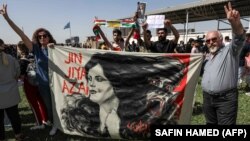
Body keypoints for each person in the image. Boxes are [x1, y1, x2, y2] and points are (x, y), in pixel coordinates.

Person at [61, 53, 185, 139]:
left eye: (99, 79)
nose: (91, 84)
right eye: (89, 78)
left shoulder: (138, 115)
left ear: (115, 83)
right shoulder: (78, 113)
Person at [0, 4, 57, 135]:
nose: (42, 38)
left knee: (58, 106)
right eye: (39, 36)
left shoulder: (55, 49)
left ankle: (61, 123)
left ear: (49, 37)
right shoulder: (35, 50)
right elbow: (21, 34)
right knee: (49, 106)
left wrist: (54, 48)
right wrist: (7, 18)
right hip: (43, 84)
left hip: (58, 84)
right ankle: (54, 124)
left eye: (45, 35)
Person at [201, 2, 245, 125]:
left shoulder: (230, 51)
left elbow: (239, 38)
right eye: (208, 41)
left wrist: (234, 23)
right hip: (207, 98)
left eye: (214, 39)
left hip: (225, 99)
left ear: (220, 39)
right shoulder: (208, 57)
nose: (210, 42)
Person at [17, 41, 48, 130]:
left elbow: (22, 76)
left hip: (29, 84)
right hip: (39, 81)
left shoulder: (22, 61)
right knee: (41, 101)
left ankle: (38, 123)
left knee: (33, 104)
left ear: (20, 49)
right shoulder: (34, 56)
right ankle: (45, 119)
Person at [0, 39, 25, 141]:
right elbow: (17, 73)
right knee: (14, 115)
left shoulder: (9, 58)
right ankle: (18, 135)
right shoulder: (10, 58)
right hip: (11, 91)